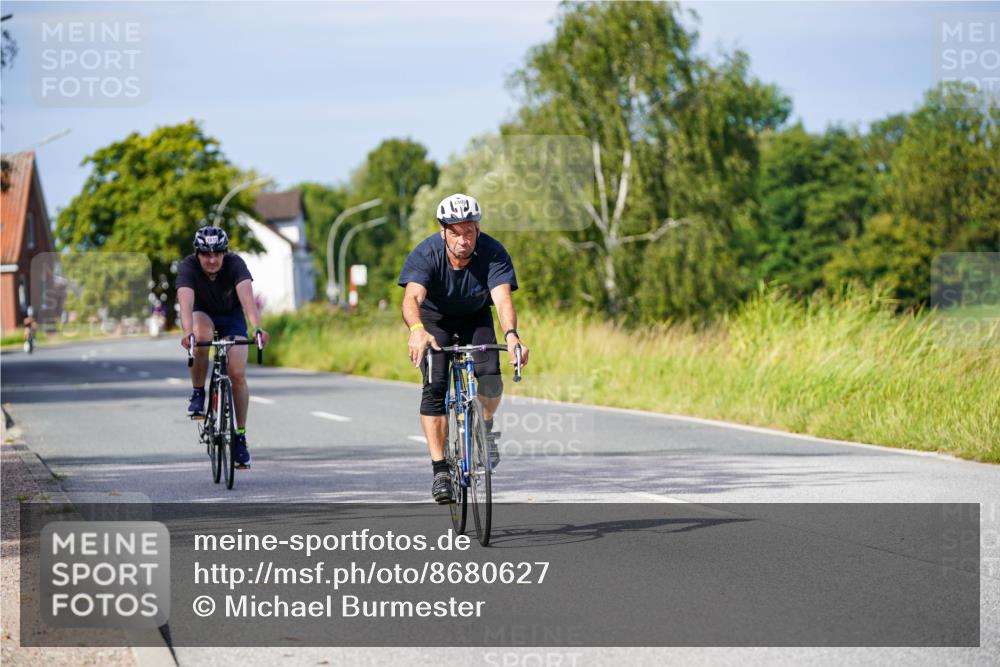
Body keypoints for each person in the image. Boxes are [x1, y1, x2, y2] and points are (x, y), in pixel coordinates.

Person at [398, 193, 529, 503]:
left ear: (478, 230)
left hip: (475, 317)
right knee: (435, 384)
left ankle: (485, 427)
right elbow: (411, 299)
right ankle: (440, 469)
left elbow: (502, 298)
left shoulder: (493, 252)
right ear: (443, 231)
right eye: (455, 232)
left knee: (490, 375)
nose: (462, 240)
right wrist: (417, 330)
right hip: (435, 320)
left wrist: (511, 334)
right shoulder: (426, 254)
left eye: (469, 231)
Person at [176, 226, 270, 468]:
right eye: (206, 254)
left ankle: (239, 436)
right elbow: (186, 302)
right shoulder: (188, 267)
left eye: (217, 253)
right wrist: (187, 333)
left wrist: (257, 327)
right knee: (201, 335)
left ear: (225, 252)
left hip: (232, 317)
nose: (212, 259)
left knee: (237, 372)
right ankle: (198, 392)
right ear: (197, 254)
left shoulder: (235, 264)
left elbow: (247, 297)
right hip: (203, 314)